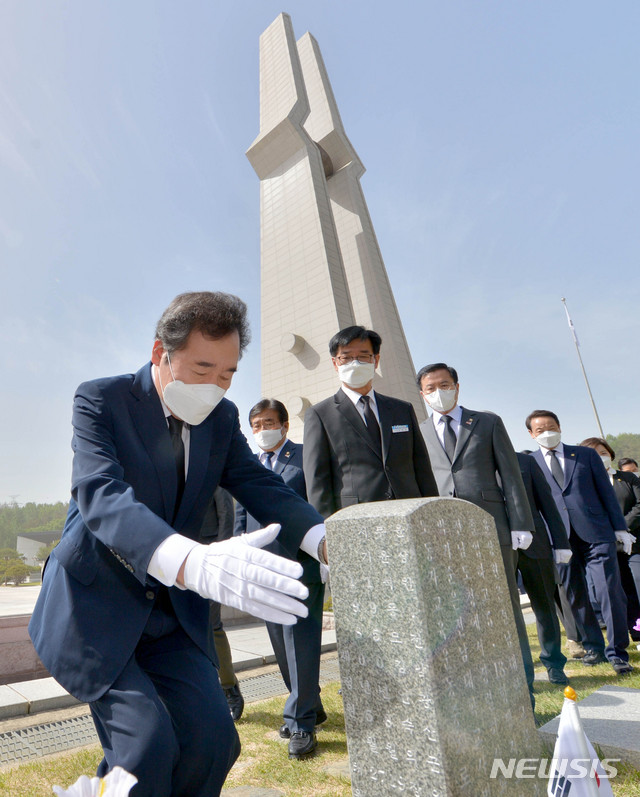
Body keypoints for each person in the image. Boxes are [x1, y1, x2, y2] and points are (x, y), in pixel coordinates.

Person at [29, 292, 326, 797]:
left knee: (214, 741)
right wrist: (188, 560)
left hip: (170, 616)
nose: (214, 386)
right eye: (202, 368)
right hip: (96, 607)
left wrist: (323, 538)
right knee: (147, 745)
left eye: (228, 373)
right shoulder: (101, 400)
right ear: (159, 354)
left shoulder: (220, 418)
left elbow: (260, 484)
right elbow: (101, 494)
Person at [417, 363, 537, 705]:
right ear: (422, 395)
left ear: (457, 386)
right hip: (445, 534)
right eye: (431, 387)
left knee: (505, 607)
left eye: (445, 384)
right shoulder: (420, 431)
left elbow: (511, 475)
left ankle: (523, 690)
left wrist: (520, 524)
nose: (439, 391)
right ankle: (479, 689)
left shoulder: (486, 422)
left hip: (493, 527)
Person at [235, 399, 325, 759]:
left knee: (299, 643)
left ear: (285, 426)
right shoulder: (248, 467)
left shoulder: (304, 456)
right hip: (263, 570)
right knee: (281, 647)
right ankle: (310, 707)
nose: (262, 430)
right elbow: (241, 518)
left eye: (268, 423)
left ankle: (301, 724)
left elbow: (317, 502)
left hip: (300, 566)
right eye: (255, 425)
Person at [526, 410, 633, 675]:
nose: (546, 432)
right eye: (540, 430)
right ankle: (594, 647)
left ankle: (617, 651)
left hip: (596, 533)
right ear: (531, 434)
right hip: (559, 539)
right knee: (575, 595)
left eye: (551, 427)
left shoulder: (584, 455)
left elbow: (606, 492)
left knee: (610, 590)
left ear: (560, 427)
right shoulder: (529, 462)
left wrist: (619, 528)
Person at [302, 325, 438, 520]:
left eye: (364, 356)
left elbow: (422, 468)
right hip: (357, 519)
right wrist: (327, 532)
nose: (355, 362)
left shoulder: (402, 410)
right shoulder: (320, 415)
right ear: (335, 363)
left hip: (410, 512)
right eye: (346, 357)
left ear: (376, 360)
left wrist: (432, 514)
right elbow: (317, 481)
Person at [516, 452, 572, 685]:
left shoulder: (525, 462)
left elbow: (548, 505)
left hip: (535, 545)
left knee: (544, 607)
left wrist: (561, 543)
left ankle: (553, 664)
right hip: (497, 546)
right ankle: (520, 670)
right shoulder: (473, 464)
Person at [579, 438, 640, 642]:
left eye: (603, 452)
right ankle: (632, 632)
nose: (600, 456)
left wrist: (621, 526)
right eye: (593, 453)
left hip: (634, 542)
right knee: (619, 592)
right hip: (606, 546)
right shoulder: (583, 483)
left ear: (611, 454)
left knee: (637, 583)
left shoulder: (628, 478)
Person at [199, 487, 244, 721]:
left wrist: (222, 558)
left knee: (211, 624)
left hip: (210, 557)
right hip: (176, 559)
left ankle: (229, 688)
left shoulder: (208, 463)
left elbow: (226, 513)